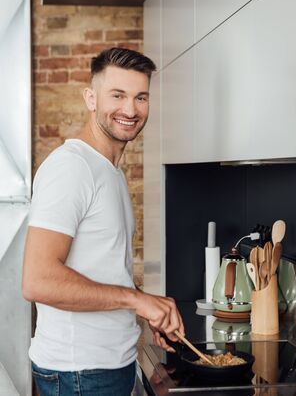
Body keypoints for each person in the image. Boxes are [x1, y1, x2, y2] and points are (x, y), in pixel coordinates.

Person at [22, 47, 184, 396]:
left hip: (107, 366)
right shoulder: (72, 168)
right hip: (81, 373)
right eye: (118, 95)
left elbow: (102, 273)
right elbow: (38, 280)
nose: (130, 109)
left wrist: (147, 304)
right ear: (91, 99)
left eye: (141, 97)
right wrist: (136, 301)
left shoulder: (108, 170)